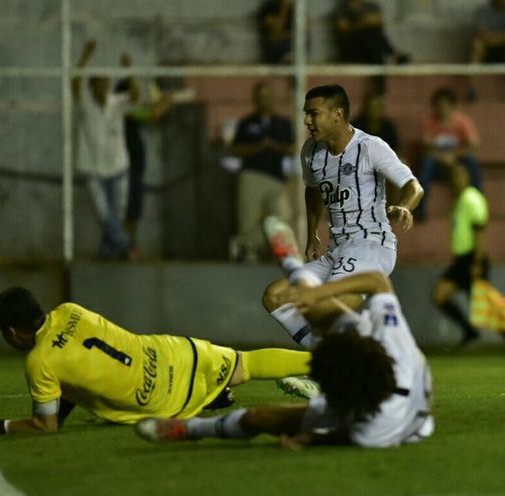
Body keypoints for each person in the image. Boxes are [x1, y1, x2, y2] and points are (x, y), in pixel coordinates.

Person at [136, 271, 434, 448]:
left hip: (388, 411)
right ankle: (299, 274)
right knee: (317, 306)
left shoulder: (370, 430)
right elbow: (377, 280)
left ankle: (191, 430)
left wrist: (311, 438)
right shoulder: (396, 344)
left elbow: (340, 435)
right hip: (381, 384)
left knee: (260, 418)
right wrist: (323, 291)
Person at [0, 287, 313, 434]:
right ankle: (323, 360)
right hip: (178, 353)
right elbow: (75, 369)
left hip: (165, 401)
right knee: (248, 363)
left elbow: (45, 426)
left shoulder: (40, 362)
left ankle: (214, 397)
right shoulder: (70, 310)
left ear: (12, 332)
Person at [259, 84, 422, 350]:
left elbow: (413, 186)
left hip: (371, 246)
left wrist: (404, 206)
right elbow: (313, 191)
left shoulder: (371, 147)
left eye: (313, 113)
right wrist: (312, 233)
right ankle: (325, 355)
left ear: (337, 113)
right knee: (275, 296)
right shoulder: (311, 152)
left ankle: (352, 357)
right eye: (306, 114)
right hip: (338, 251)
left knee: (325, 310)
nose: (306, 121)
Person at [72, 40, 136, 259]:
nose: (102, 86)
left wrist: (129, 71)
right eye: (98, 83)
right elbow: (74, 82)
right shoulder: (86, 102)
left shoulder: (116, 102)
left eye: (105, 82)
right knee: (104, 214)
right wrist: (85, 56)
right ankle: (127, 246)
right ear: (92, 86)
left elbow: (135, 96)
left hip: (118, 167)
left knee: (116, 214)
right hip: (93, 169)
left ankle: (107, 253)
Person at [115, 54, 172, 261]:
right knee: (128, 209)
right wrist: (169, 99)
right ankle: (126, 249)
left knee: (133, 210)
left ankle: (128, 246)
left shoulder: (129, 110)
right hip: (126, 167)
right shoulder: (124, 109)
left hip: (134, 166)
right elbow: (154, 114)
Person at [230, 81, 295, 263]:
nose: (263, 100)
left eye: (267, 96)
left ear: (273, 98)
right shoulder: (246, 123)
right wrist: (259, 147)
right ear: (255, 99)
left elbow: (292, 148)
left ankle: (282, 255)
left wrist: (274, 146)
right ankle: (250, 252)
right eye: (260, 97)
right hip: (252, 175)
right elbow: (236, 150)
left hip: (276, 177)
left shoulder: (283, 123)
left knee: (281, 215)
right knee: (248, 218)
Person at [433, 163, 489, 345]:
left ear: (467, 177)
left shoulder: (471, 198)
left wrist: (477, 262)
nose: (456, 180)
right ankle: (469, 331)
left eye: (459, 175)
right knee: (440, 295)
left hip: (472, 258)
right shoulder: (460, 201)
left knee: (483, 307)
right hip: (461, 260)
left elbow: (478, 230)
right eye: (454, 176)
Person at [416, 88, 481, 221]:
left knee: (472, 163)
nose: (442, 109)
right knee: (425, 164)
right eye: (439, 106)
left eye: (445, 105)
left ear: (452, 106)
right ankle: (420, 209)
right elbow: (425, 148)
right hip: (437, 164)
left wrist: (453, 155)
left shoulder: (462, 121)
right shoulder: (429, 122)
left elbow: (473, 146)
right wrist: (443, 157)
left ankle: (478, 204)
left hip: (457, 161)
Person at [333, 0, 409, 65]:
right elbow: (343, 27)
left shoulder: (370, 6)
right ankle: (392, 55)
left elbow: (378, 21)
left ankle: (390, 56)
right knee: (370, 34)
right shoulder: (341, 8)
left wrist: (358, 24)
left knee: (373, 35)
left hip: (371, 46)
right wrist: (365, 23)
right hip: (353, 45)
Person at [470, 0, 505, 64]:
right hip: (488, 40)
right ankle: (473, 71)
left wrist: (499, 38)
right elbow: (481, 31)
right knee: (478, 43)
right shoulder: (484, 10)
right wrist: (492, 39)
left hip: (502, 39)